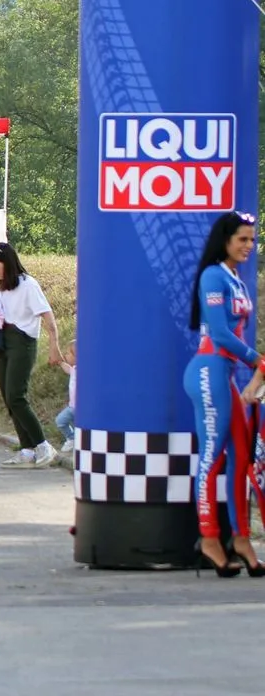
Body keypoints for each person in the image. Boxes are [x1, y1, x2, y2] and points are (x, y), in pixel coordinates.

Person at [184, 211, 265, 575]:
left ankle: (242, 538)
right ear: (226, 240)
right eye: (242, 239)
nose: (249, 245)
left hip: (225, 375)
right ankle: (209, 539)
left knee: (241, 457)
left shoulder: (235, 278)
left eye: (252, 239)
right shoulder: (213, 275)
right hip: (208, 371)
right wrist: (257, 360)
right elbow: (219, 333)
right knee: (212, 456)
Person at [0, 242, 63, 469]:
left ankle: (43, 445)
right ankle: (27, 450)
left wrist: (54, 346)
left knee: (16, 395)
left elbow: (47, 316)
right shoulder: (4, 287)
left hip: (22, 342)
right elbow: (3, 309)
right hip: (3, 341)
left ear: (7, 263)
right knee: (8, 397)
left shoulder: (28, 285)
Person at [56, 346, 77, 457]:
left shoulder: (85, 371)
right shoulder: (74, 369)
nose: (66, 355)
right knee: (60, 421)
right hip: (72, 406)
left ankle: (79, 443)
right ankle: (72, 438)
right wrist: (60, 362)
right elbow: (67, 368)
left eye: (69, 353)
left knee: (80, 427)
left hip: (82, 408)